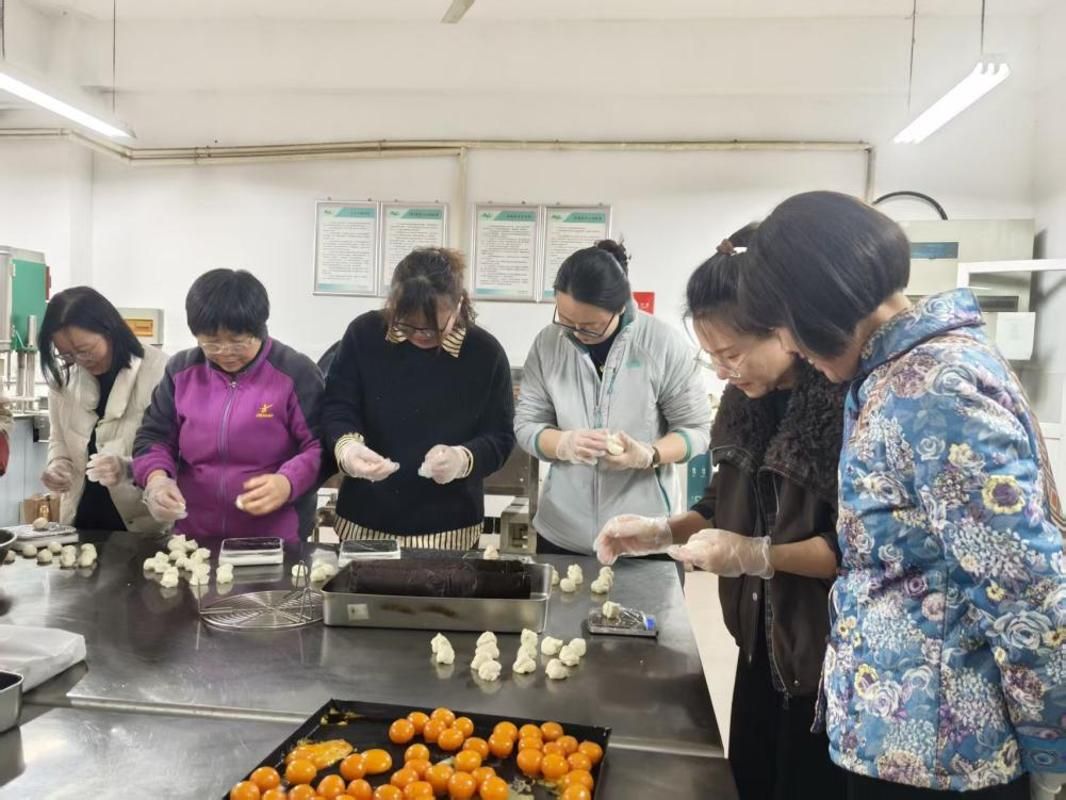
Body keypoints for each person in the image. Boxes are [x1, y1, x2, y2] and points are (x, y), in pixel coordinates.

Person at [739, 190, 1065, 800]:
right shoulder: (893, 376)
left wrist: (1054, 747)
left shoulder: (932, 391)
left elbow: (1022, 585)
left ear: (816, 306)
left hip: (944, 754)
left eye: (781, 325)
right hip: (907, 737)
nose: (787, 345)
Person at [594, 228, 847, 800]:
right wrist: (662, 530)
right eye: (711, 356)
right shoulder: (743, 404)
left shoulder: (840, 407)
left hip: (821, 660)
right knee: (748, 781)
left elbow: (853, 547)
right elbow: (721, 505)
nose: (722, 371)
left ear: (784, 330)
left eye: (732, 354)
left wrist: (760, 555)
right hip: (758, 645)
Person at [514, 239, 711, 556]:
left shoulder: (661, 345)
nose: (576, 332)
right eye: (566, 319)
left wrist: (648, 455)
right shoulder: (549, 344)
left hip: (642, 534)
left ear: (620, 307)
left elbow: (697, 432)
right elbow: (527, 425)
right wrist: (564, 443)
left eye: (590, 326)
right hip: (563, 532)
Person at [320, 247, 514, 549]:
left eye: (434, 328)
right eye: (407, 324)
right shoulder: (365, 335)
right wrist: (348, 448)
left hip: (450, 531)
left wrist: (462, 459)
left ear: (459, 304)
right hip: (365, 522)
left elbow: (500, 437)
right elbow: (338, 406)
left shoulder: (484, 354)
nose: (421, 335)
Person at [132, 269, 324, 544]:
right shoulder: (181, 371)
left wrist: (287, 482)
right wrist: (156, 480)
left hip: (274, 537)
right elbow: (154, 436)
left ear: (260, 329)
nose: (225, 352)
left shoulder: (295, 372)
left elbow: (320, 446)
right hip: (194, 536)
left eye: (238, 342)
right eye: (211, 343)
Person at [37, 287, 168, 532]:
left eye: (85, 350)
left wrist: (126, 468)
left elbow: (173, 451)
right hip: (82, 520)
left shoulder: (161, 372)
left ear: (109, 329)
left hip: (144, 523)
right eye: (67, 355)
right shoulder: (64, 381)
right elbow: (59, 440)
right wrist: (58, 466)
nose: (79, 360)